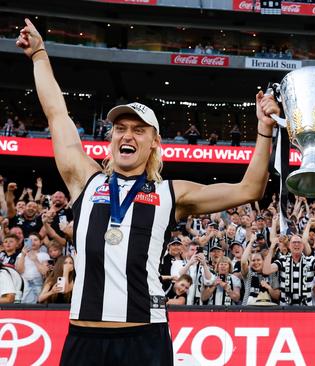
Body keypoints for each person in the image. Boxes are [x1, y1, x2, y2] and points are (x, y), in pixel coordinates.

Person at [17, 18, 279, 366]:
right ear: (110, 138)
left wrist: (263, 129)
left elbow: (250, 188)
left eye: (139, 130)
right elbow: (56, 113)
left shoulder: (172, 193)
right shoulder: (85, 181)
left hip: (144, 338)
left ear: (155, 142)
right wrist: (38, 55)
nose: (127, 135)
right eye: (120, 128)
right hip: (84, 338)